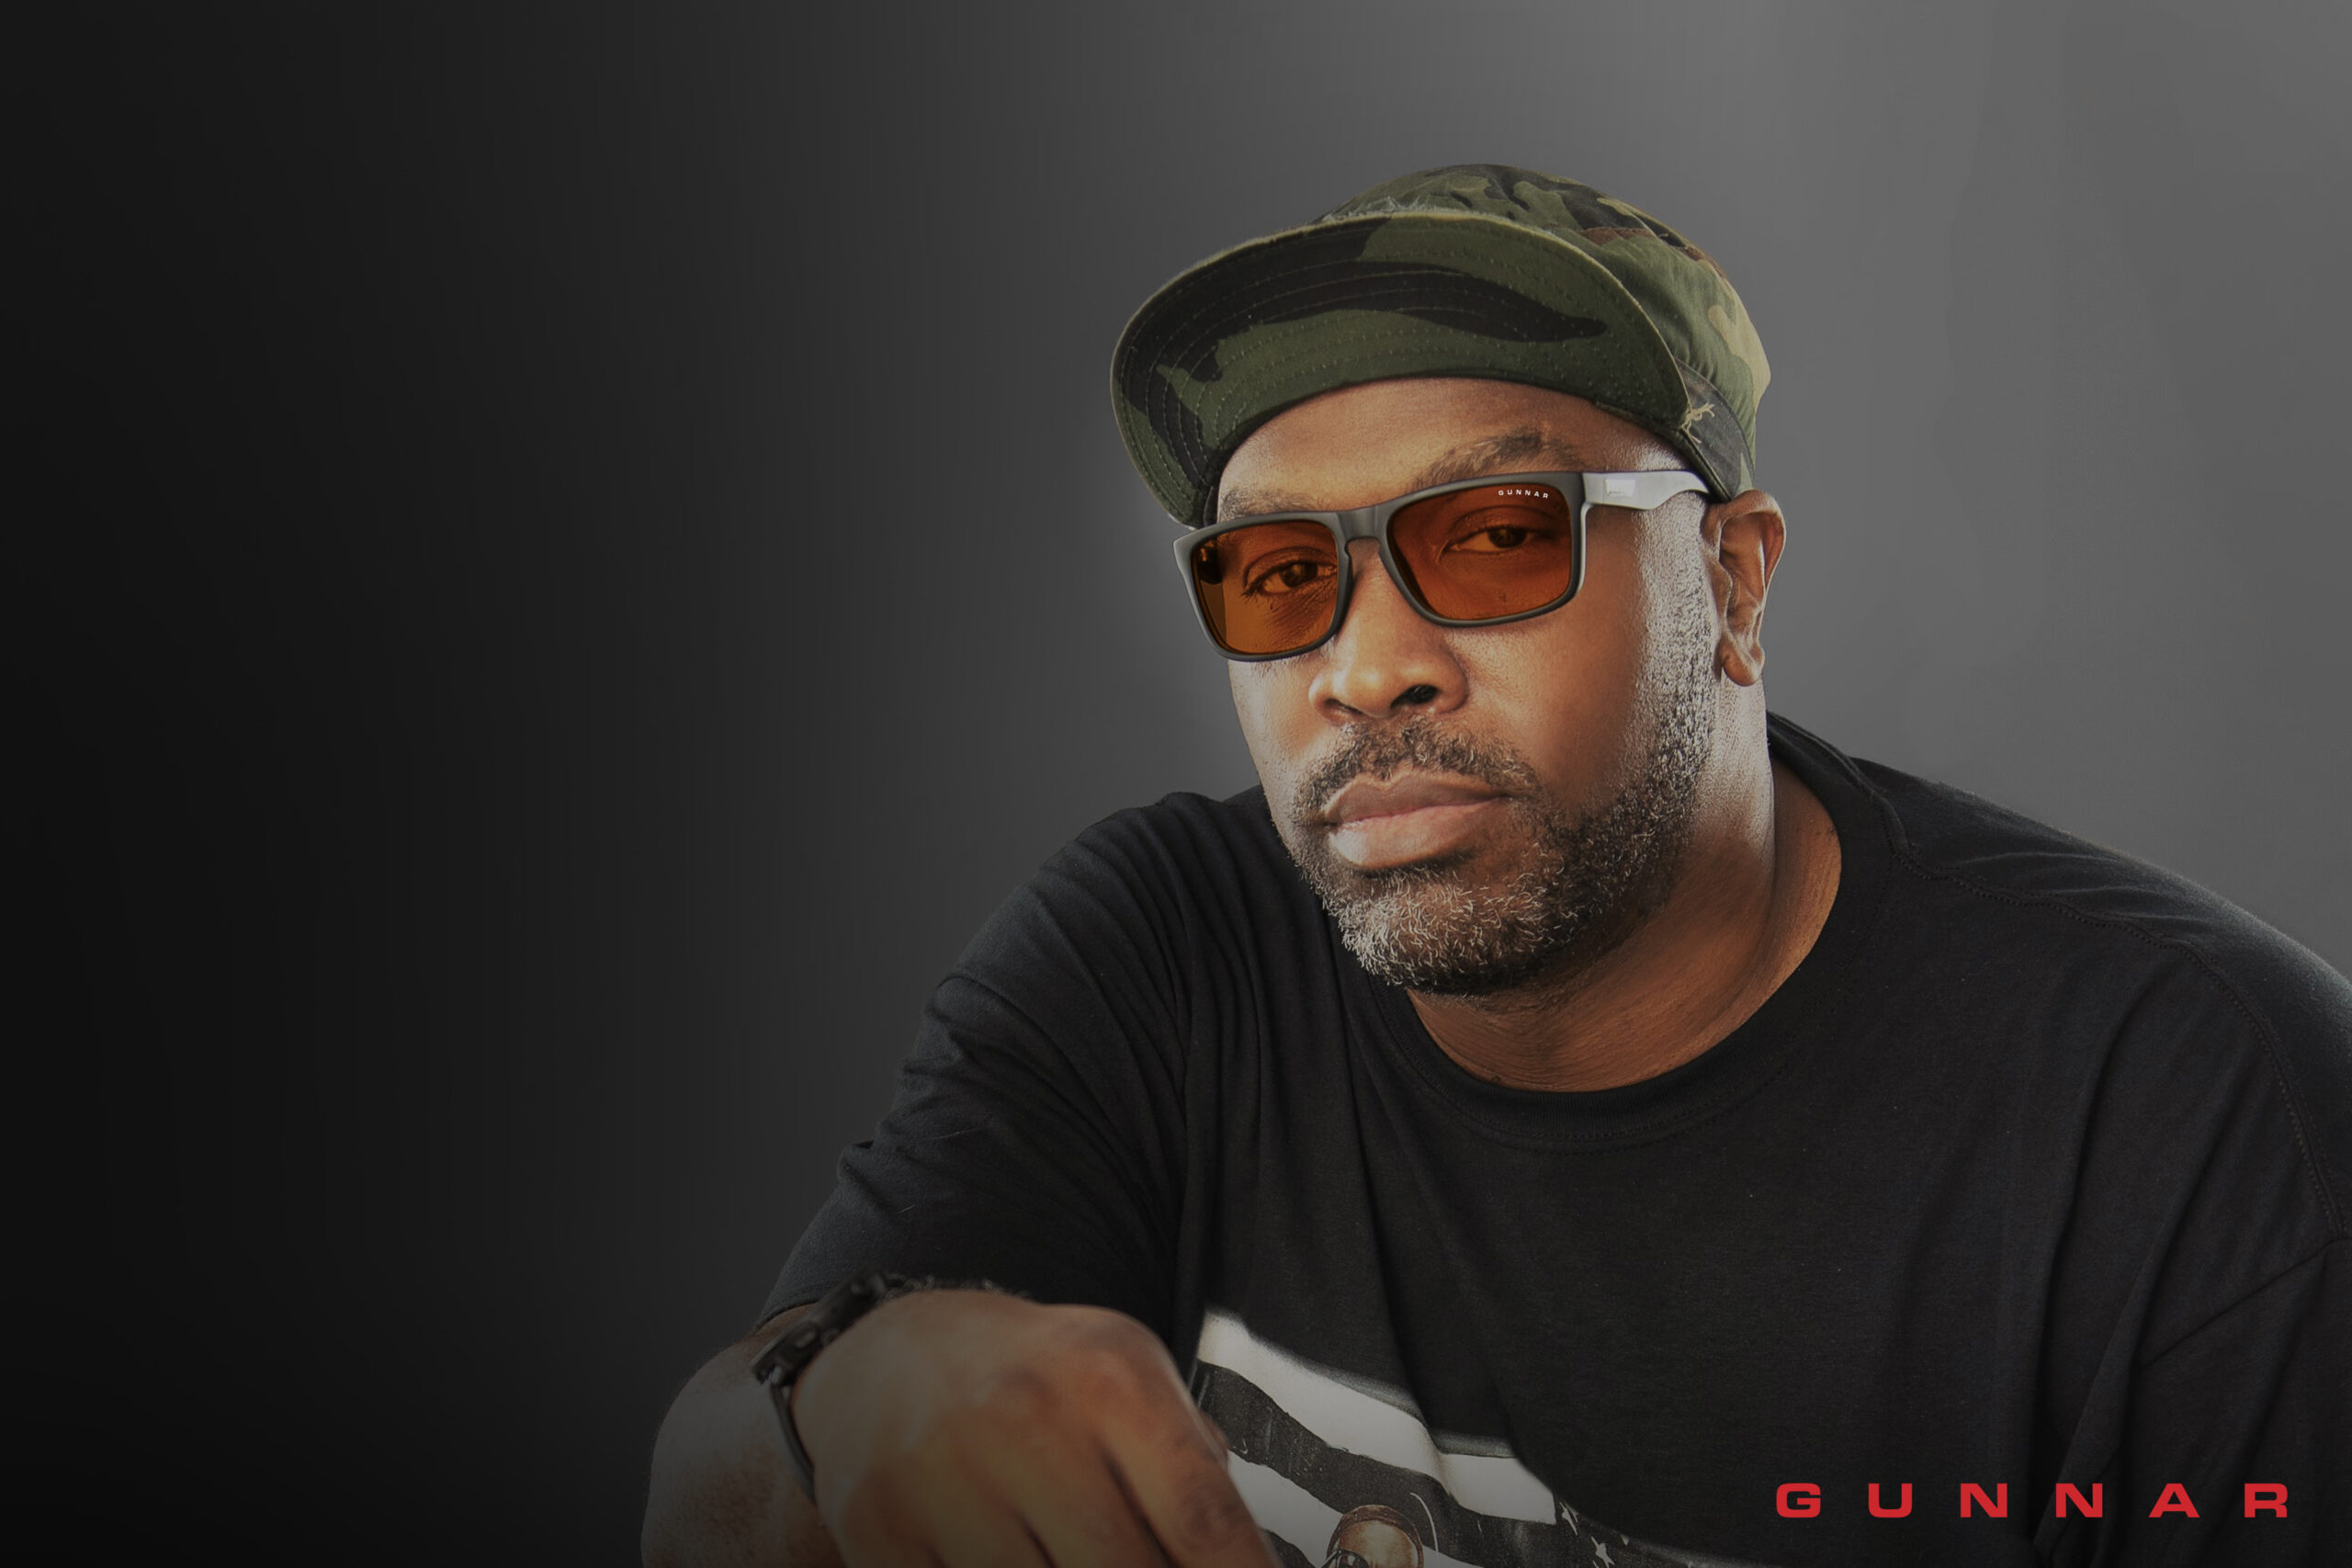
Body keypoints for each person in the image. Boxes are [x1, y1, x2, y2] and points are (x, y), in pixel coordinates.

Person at [642, 165, 2350, 1567]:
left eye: (1497, 538)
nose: (1366, 666)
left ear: (1735, 585)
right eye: (1277, 573)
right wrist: (836, 1396)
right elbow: (704, 1499)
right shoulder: (1165, 950)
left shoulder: (2198, 1117)